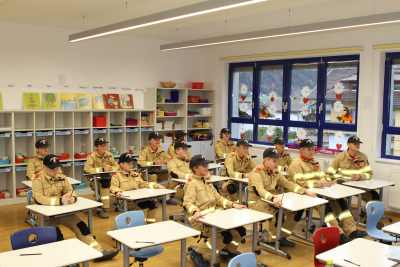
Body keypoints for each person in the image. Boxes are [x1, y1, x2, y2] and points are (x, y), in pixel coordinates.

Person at [32, 154, 118, 263]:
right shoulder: (38, 179)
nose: (55, 171)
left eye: (57, 168)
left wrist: (72, 197)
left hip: (61, 210)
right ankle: (66, 262)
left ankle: (98, 252)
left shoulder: (61, 176)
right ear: (44, 167)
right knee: (57, 236)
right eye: (52, 168)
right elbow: (38, 198)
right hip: (45, 215)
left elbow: (70, 190)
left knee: (81, 226)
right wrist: (59, 201)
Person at [287, 139, 367, 244]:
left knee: (340, 201)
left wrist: (326, 180)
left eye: (312, 149)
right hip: (304, 194)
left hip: (320, 192)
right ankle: (338, 234)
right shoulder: (296, 164)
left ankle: (352, 230)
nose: (312, 152)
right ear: (301, 150)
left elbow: (322, 175)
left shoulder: (314, 161)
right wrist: (321, 183)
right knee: (325, 207)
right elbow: (301, 184)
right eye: (309, 149)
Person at [184, 155, 247, 267]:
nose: (207, 167)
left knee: (240, 231)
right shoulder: (191, 183)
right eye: (203, 165)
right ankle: (198, 253)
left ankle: (227, 250)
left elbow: (218, 198)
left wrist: (233, 204)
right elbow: (187, 203)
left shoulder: (206, 181)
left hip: (214, 217)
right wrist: (195, 212)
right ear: (195, 168)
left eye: (207, 164)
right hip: (200, 220)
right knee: (224, 236)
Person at [248, 147, 317, 247]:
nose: (277, 164)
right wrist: (273, 198)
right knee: (276, 213)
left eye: (278, 161)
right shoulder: (257, 172)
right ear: (266, 160)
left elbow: (287, 183)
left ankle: (282, 237)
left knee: (297, 211)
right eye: (274, 161)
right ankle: (272, 241)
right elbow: (259, 190)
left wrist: (305, 191)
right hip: (256, 202)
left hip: (271, 200)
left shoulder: (275, 171)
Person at [326, 136, 382, 227]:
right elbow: (329, 173)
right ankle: (344, 220)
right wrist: (329, 182)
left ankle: (372, 221)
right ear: (348, 145)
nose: (357, 145)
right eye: (354, 144)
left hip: (358, 185)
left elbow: (369, 173)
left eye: (358, 144)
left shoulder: (363, 157)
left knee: (374, 196)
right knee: (341, 199)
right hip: (343, 185)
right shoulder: (340, 157)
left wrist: (360, 177)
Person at [110, 153, 165, 224]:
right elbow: (113, 187)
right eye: (128, 163)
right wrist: (117, 192)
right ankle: (141, 226)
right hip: (126, 201)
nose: (130, 165)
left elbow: (144, 184)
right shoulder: (116, 175)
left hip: (138, 199)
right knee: (144, 207)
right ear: (121, 164)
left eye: (131, 163)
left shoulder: (135, 174)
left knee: (152, 205)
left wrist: (157, 186)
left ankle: (151, 226)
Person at [84, 137, 119, 219]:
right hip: (94, 179)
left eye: (105, 145)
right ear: (96, 147)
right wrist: (102, 169)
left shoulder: (109, 154)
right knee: (105, 184)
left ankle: (122, 203)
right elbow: (87, 169)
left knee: (120, 181)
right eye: (101, 146)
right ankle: (103, 208)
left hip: (108, 177)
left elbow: (117, 166)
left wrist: (111, 168)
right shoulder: (92, 156)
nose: (104, 147)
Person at [137, 131, 176, 205]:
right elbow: (140, 162)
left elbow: (171, 158)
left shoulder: (161, 149)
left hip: (158, 172)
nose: (157, 141)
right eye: (155, 139)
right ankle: (154, 199)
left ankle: (166, 197)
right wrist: (154, 163)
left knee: (171, 174)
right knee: (153, 176)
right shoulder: (145, 150)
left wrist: (167, 160)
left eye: (159, 139)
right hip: (146, 172)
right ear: (149, 140)